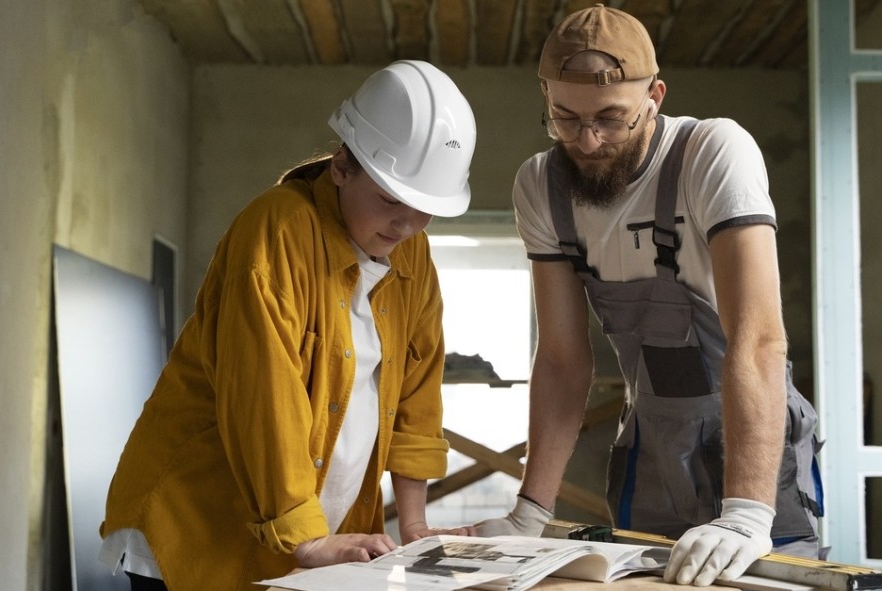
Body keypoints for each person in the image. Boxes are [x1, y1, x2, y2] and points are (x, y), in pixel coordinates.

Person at [468, 5, 824, 588]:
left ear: (654, 95)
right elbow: (561, 359)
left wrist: (746, 514)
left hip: (754, 443)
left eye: (611, 118)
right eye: (565, 118)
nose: (588, 140)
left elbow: (758, 339)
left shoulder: (711, 153)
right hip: (650, 443)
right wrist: (529, 513)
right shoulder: (541, 186)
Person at [98, 60, 477, 591]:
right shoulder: (277, 231)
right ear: (342, 167)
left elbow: (417, 396)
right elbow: (262, 394)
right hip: (196, 522)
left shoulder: (413, 256)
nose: (407, 225)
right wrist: (306, 539)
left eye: (425, 210)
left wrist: (412, 523)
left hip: (300, 532)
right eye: (392, 200)